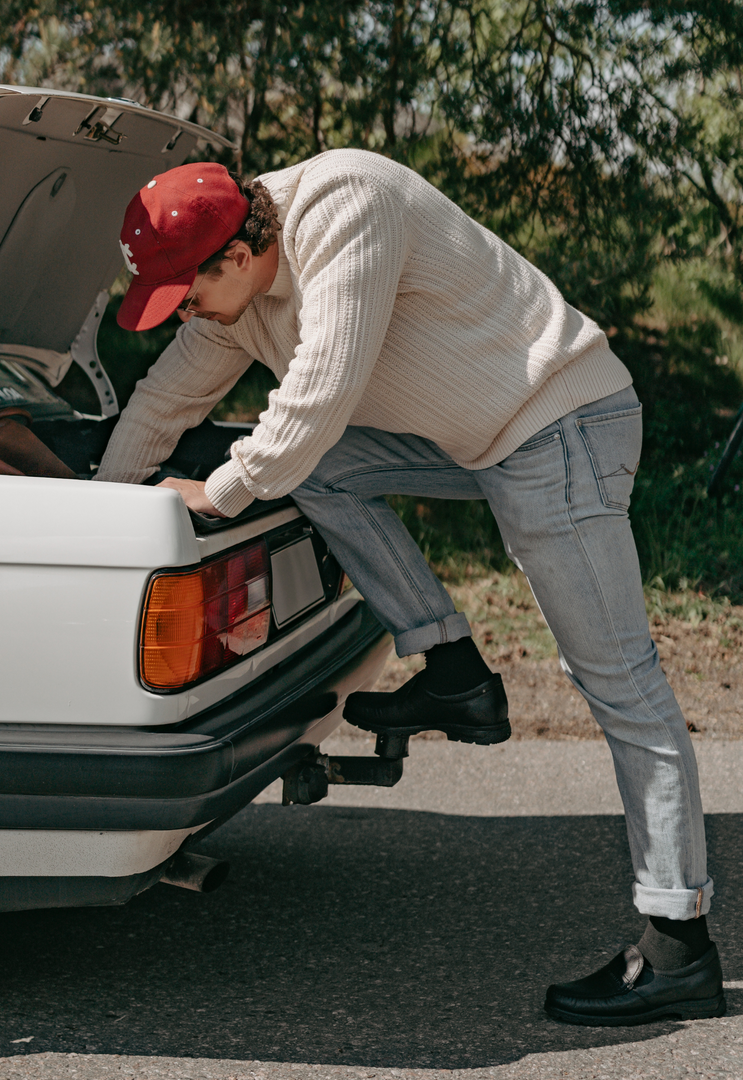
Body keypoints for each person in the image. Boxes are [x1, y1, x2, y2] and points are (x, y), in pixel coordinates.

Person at [95, 153, 725, 1025]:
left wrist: (218, 492)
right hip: (483, 435)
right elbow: (164, 402)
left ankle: (678, 943)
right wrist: (100, 515)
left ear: (236, 255)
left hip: (560, 425)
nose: (183, 313)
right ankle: (454, 670)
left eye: (185, 293)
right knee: (317, 471)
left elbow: (320, 393)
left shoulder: (346, 207)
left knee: (619, 680)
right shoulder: (233, 299)